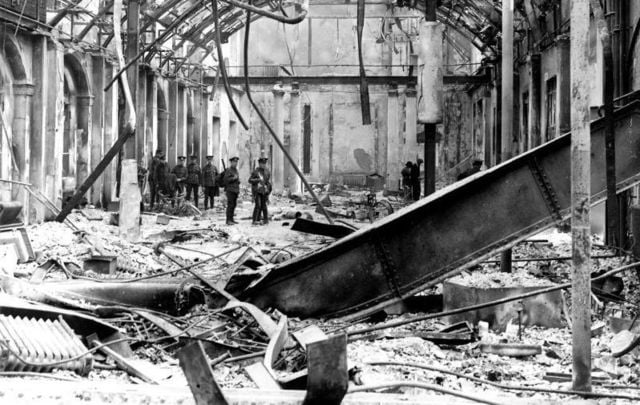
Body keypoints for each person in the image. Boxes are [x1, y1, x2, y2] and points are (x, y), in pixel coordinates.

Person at [249, 157, 272, 225]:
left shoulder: (267, 171)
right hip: (257, 191)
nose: (263, 165)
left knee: (264, 206)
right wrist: (257, 180)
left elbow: (267, 182)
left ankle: (265, 219)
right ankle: (254, 220)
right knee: (258, 205)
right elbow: (250, 180)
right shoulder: (256, 171)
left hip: (264, 191)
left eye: (264, 163)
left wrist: (268, 189)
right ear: (259, 164)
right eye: (262, 163)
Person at [222, 156, 240, 225]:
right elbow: (225, 180)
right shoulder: (228, 170)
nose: (235, 163)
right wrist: (234, 178)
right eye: (234, 162)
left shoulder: (236, 170)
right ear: (231, 162)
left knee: (234, 205)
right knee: (230, 205)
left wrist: (238, 180)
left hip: (235, 190)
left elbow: (236, 179)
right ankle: (228, 220)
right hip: (230, 190)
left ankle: (232, 219)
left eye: (236, 162)